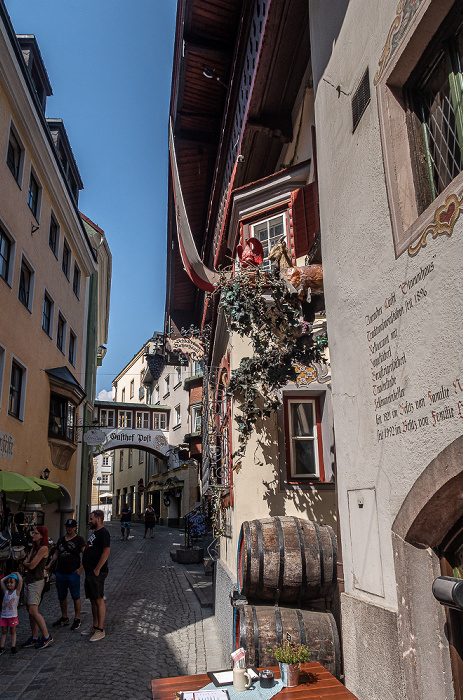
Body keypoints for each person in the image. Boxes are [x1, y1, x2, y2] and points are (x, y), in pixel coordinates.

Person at [45, 518, 85, 630]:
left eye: (71, 527)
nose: (69, 528)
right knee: (62, 596)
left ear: (75, 528)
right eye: (67, 526)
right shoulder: (61, 540)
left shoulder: (79, 540)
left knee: (75, 596)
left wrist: (81, 569)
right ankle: (64, 617)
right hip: (61, 572)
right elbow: (56, 554)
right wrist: (50, 565)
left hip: (73, 572)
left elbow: (85, 554)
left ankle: (77, 618)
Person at [21, 526, 53, 649]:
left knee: (34, 610)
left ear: (41, 535)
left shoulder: (43, 549)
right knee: (30, 611)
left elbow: (31, 565)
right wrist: (27, 563)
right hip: (29, 580)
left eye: (35, 533)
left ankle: (46, 636)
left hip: (36, 581)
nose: (33, 535)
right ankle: (34, 637)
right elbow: (27, 562)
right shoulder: (34, 548)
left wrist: (26, 564)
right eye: (33, 533)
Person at [81, 510, 110, 642]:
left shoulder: (103, 533)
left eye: (91, 519)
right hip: (90, 571)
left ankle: (100, 629)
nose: (90, 521)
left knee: (98, 599)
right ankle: (95, 625)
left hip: (97, 572)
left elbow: (106, 551)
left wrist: (97, 568)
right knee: (92, 599)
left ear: (98, 519)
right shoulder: (95, 533)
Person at [0, 571, 23, 655]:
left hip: (12, 616)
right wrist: (9, 576)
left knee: (12, 631)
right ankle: (1, 647)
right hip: (4, 616)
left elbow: (20, 580)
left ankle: (13, 646)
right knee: (4, 631)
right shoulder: (5, 592)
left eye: (11, 582)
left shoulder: (16, 593)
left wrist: (16, 573)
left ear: (16, 584)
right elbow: (1, 581)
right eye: (8, 583)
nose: (9, 584)